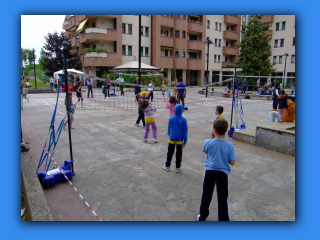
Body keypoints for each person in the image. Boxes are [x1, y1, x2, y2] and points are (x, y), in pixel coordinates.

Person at [197, 119, 236, 221]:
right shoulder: (230, 145)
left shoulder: (208, 142)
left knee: (206, 194)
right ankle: (224, 219)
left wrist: (212, 138)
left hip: (210, 171)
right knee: (223, 197)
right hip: (223, 173)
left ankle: (202, 216)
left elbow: (206, 152)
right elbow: (232, 162)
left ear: (214, 130)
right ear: (226, 131)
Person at [163, 104, 188, 173]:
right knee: (179, 153)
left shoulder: (171, 118)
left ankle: (167, 166)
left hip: (172, 138)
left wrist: (170, 135)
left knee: (170, 152)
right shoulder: (183, 120)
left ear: (174, 110)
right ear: (182, 111)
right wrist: (185, 141)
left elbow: (169, 129)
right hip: (180, 140)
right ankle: (177, 167)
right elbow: (185, 131)